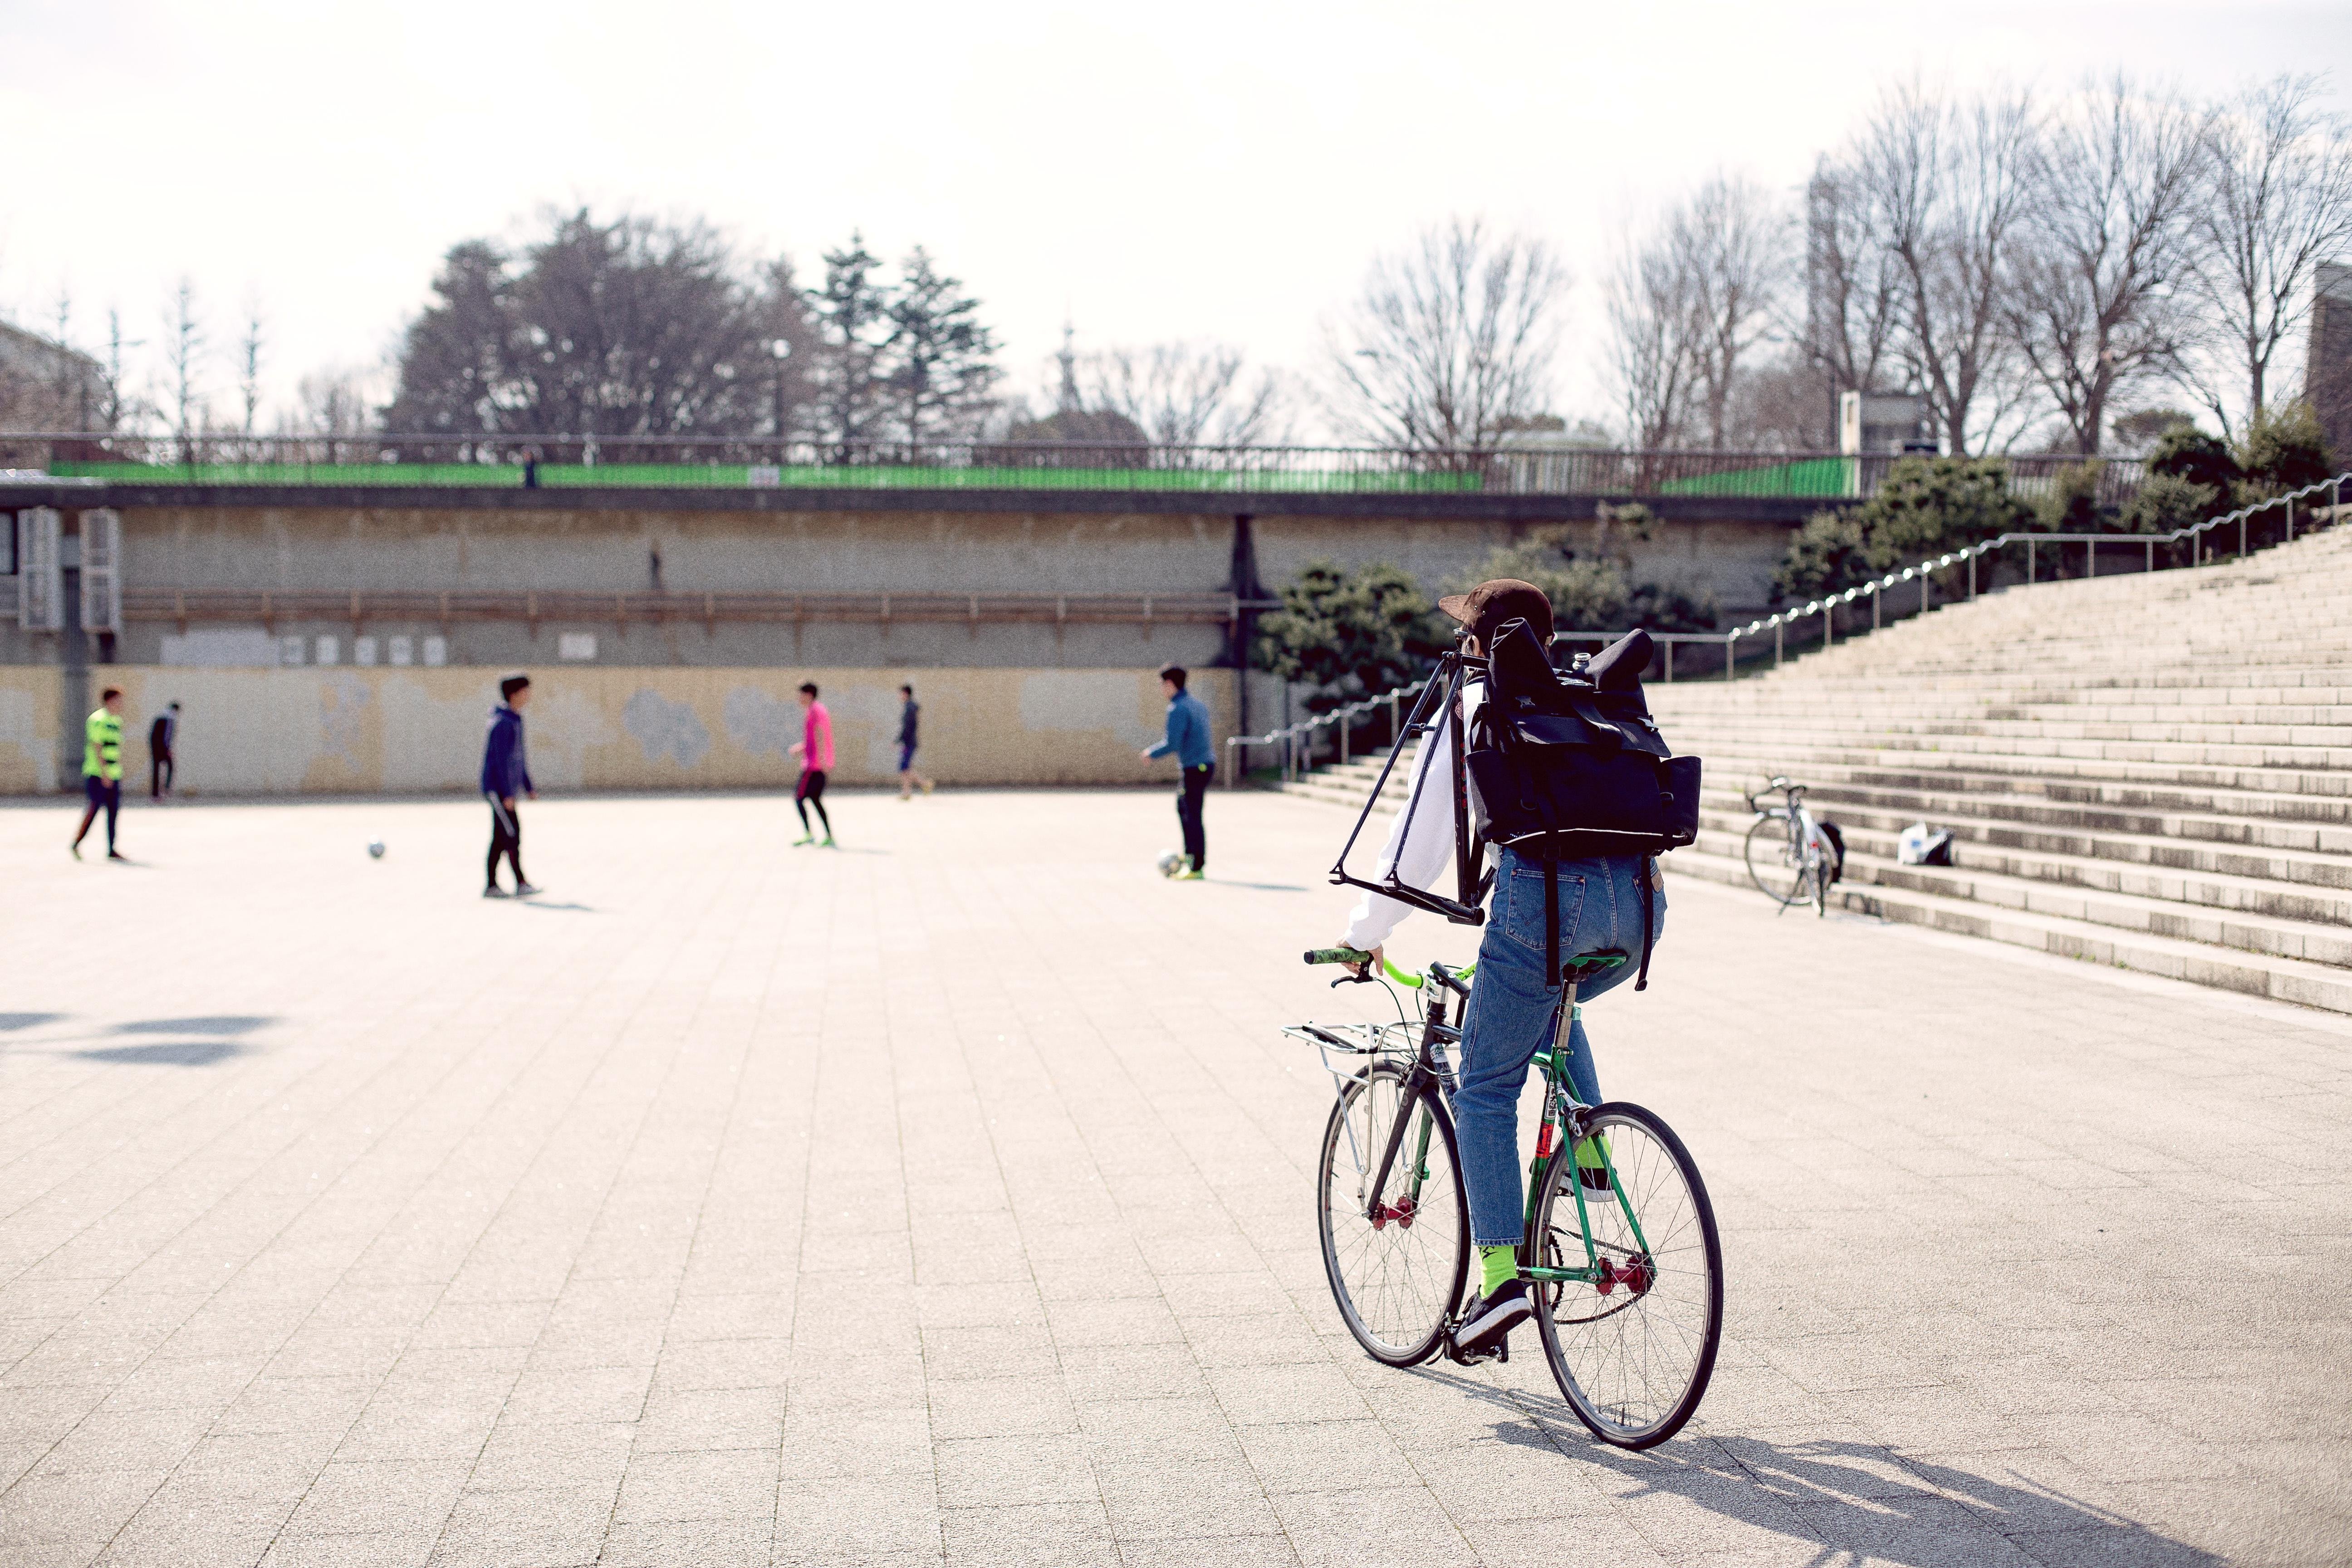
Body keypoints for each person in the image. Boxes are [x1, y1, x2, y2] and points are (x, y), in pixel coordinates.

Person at [1327, 579, 1665, 1358]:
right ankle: (1588, 1150)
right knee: (1553, 997)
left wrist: (1365, 931)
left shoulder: (1478, 702)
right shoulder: (1588, 696)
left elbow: (1417, 842)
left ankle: (1500, 1284)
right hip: (1640, 917)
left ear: (1478, 643)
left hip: (1544, 907)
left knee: (1482, 1087)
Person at [1140, 665, 1213, 879]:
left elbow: (1173, 743)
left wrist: (1150, 753)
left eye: (1162, 685)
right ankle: (1191, 857)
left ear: (1170, 684)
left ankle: (1196, 866)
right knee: (1185, 810)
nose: (1161, 689)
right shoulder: (1197, 704)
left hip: (1194, 767)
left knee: (1191, 815)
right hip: (1204, 765)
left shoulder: (1178, 708)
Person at [480, 673, 539, 897]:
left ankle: (493, 886)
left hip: (507, 790)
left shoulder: (515, 719)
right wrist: (507, 793)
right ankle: (517, 883)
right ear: (514, 694)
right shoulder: (502, 724)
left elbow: (518, 758)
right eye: (526, 690)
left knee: (503, 835)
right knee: (511, 833)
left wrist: (527, 785)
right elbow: (501, 761)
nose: (529, 695)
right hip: (497, 790)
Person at [71, 686, 127, 861]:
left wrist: (114, 773)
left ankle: (112, 849)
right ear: (110, 700)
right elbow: (97, 747)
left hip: (113, 774)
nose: (121, 704)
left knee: (113, 811)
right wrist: (104, 774)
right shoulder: (98, 720)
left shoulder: (116, 721)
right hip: (98, 774)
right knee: (94, 808)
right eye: (118, 700)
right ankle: (76, 843)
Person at [789, 681, 835, 847]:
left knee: (798, 797)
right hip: (818, 763)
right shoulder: (818, 709)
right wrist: (801, 748)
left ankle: (809, 834)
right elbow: (814, 739)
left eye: (800, 694)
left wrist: (822, 761)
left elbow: (820, 735)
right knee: (815, 799)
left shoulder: (814, 711)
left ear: (808, 695)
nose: (798, 698)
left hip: (813, 765)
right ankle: (829, 836)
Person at [896, 683, 934, 800]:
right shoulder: (911, 706)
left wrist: (899, 740)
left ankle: (925, 784)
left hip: (909, 742)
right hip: (910, 742)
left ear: (905, 694)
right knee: (906, 768)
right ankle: (907, 793)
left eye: (901, 693)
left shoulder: (910, 707)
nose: (899, 696)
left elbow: (908, 726)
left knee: (904, 768)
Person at [148, 701, 180, 801]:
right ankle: (160, 792)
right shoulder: (167, 719)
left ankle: (161, 790)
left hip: (159, 748)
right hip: (160, 748)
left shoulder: (165, 719)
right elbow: (165, 737)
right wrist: (167, 749)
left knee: (162, 768)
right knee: (162, 769)